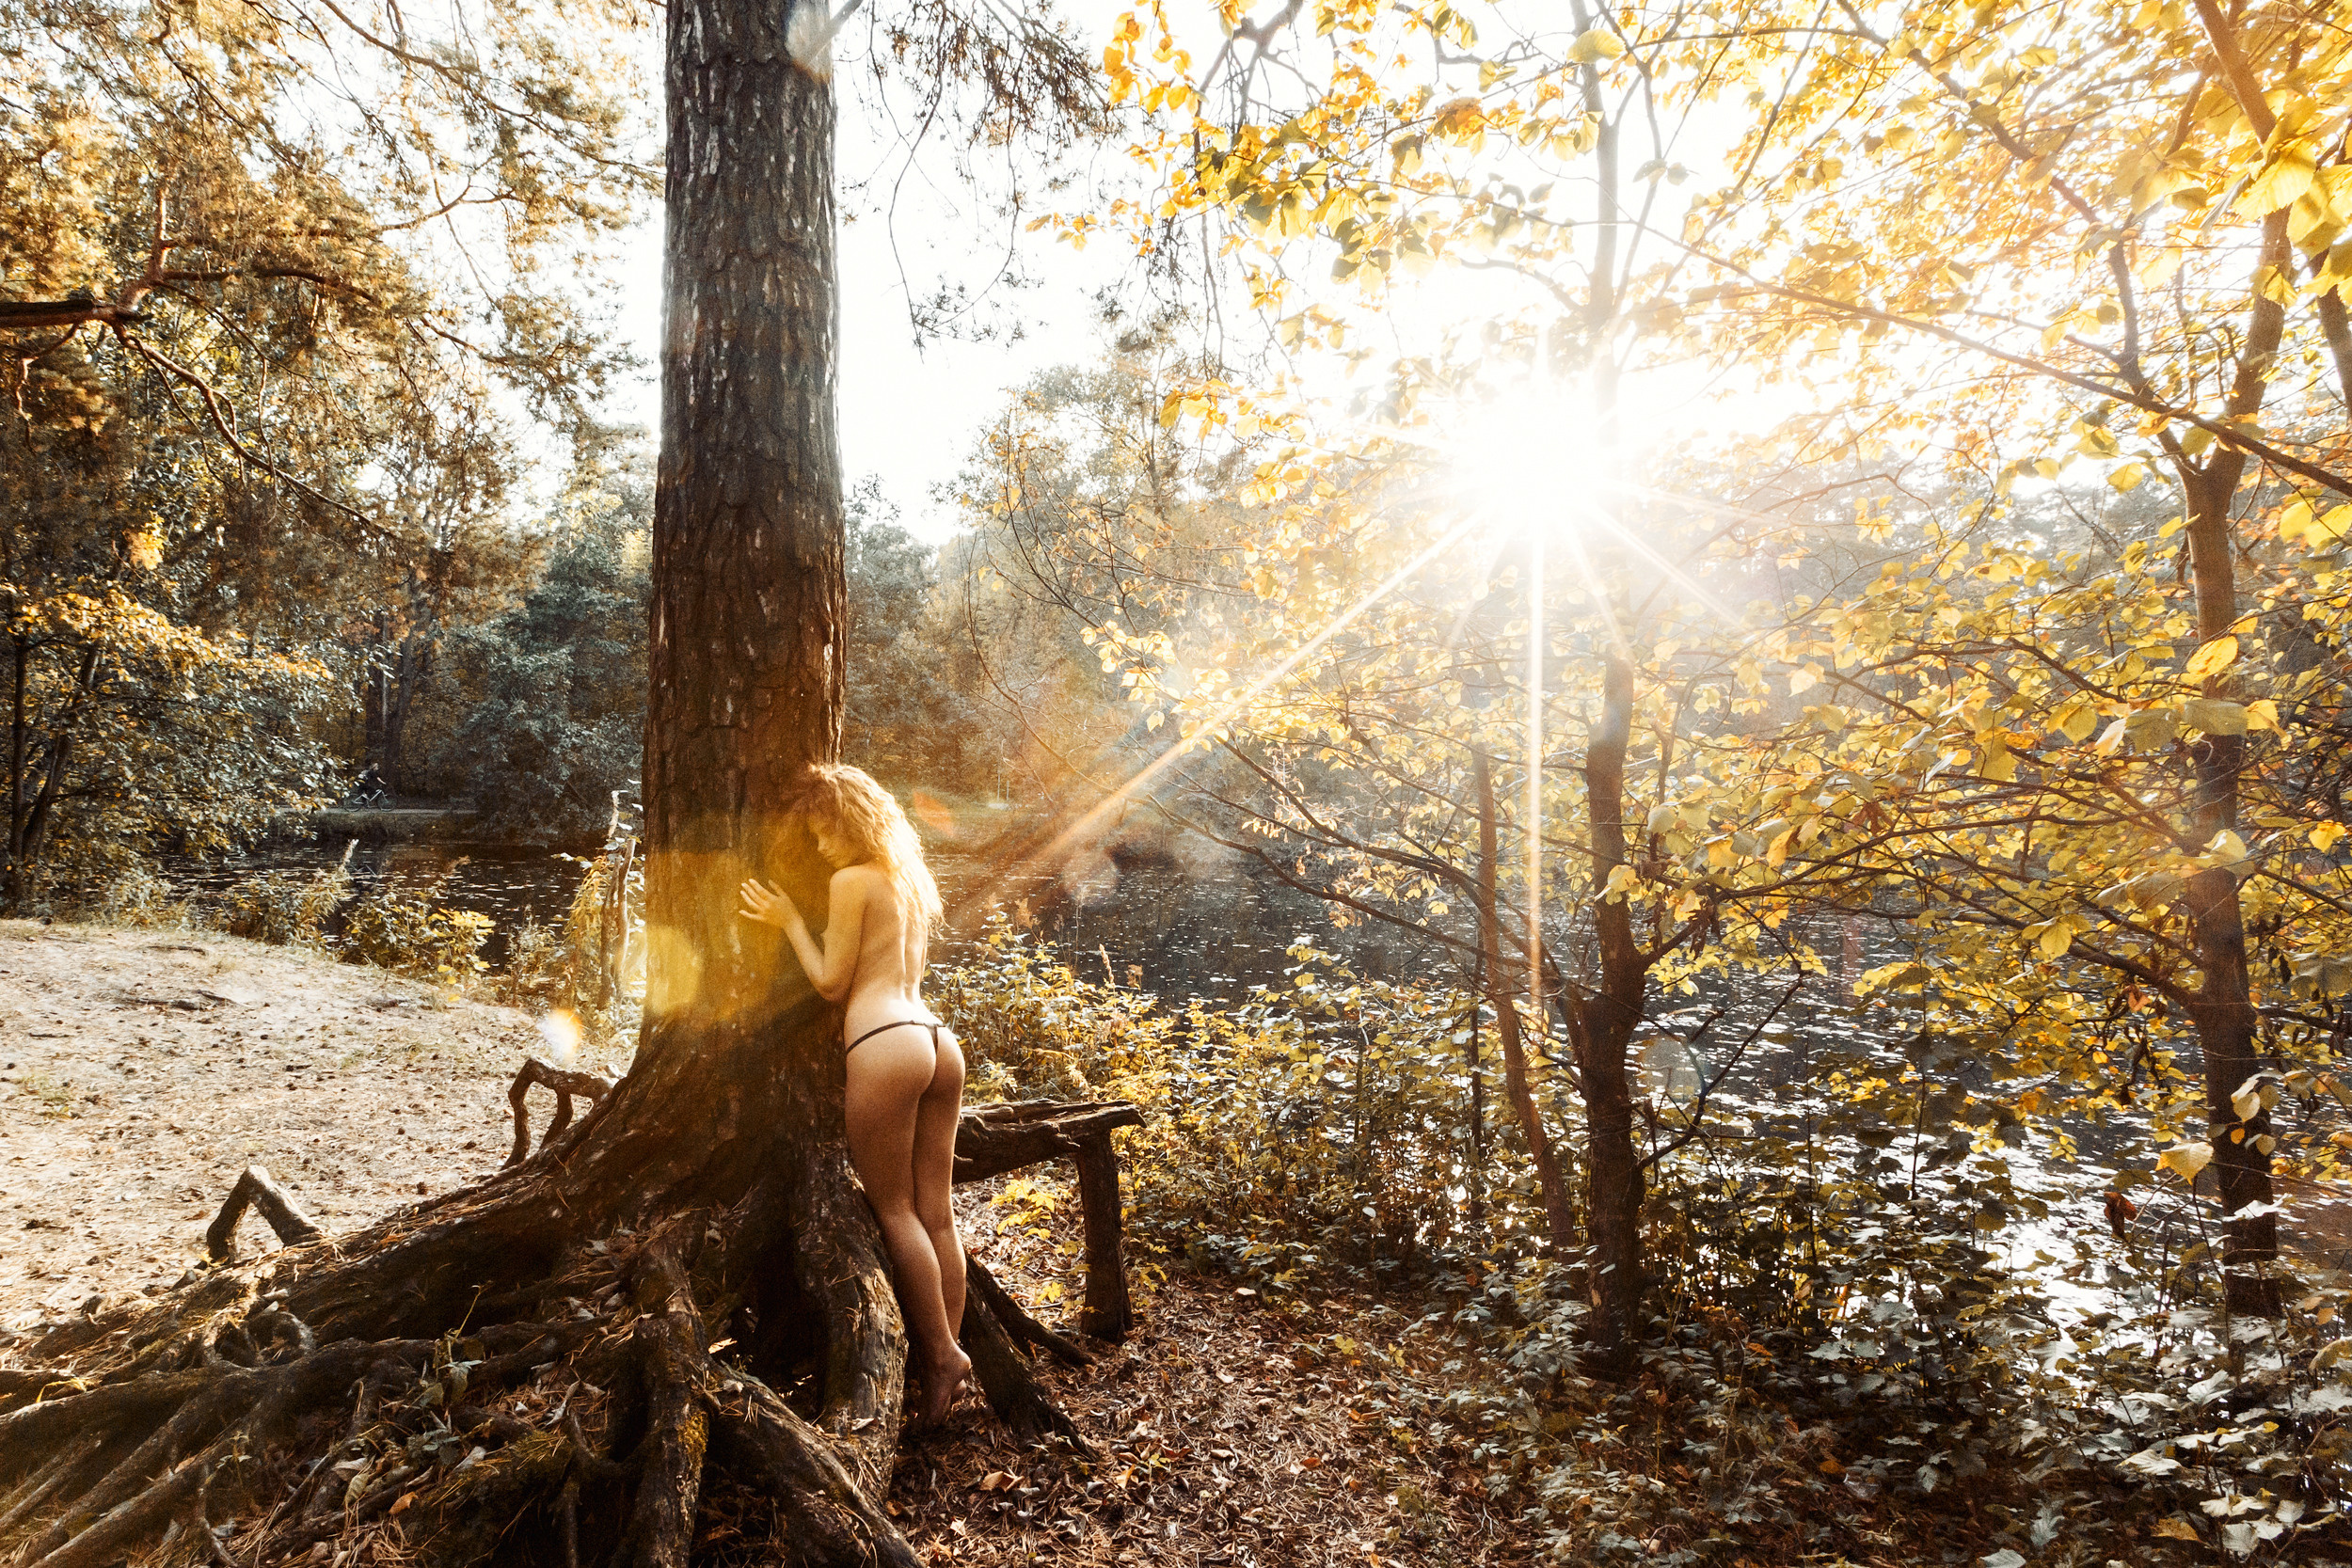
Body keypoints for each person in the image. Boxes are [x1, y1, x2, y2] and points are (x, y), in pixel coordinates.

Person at [737, 765, 972, 1429]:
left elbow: (832, 981)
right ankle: (944, 1360)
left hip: (884, 1043)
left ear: (851, 819)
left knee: (894, 1210)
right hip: (935, 1039)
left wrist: (787, 920)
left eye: (825, 828)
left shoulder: (852, 880)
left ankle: (943, 1355)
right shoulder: (908, 881)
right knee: (938, 1214)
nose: (820, 845)